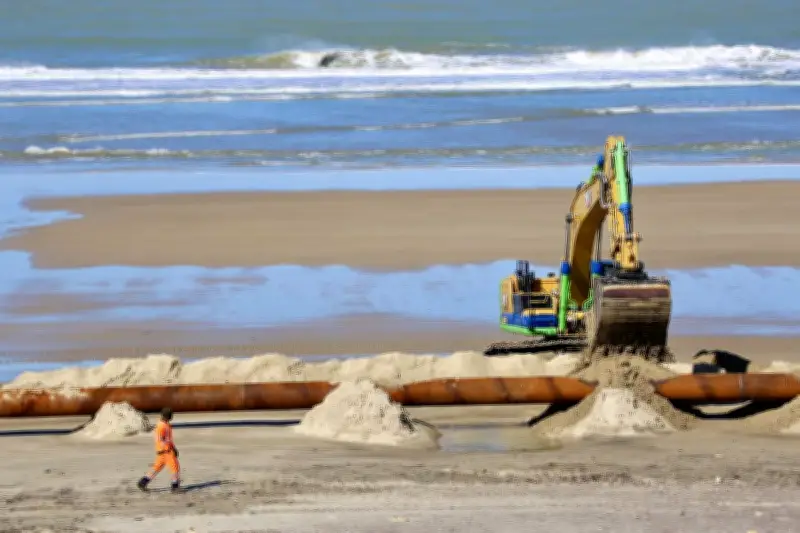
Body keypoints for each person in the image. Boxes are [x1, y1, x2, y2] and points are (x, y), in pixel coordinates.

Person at [137, 407, 181, 492]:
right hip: (166, 452)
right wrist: (169, 449)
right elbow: (161, 440)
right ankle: (175, 487)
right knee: (175, 468)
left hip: (162, 452)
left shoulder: (165, 424)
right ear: (168, 416)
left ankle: (143, 482)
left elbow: (168, 439)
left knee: (156, 468)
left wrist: (173, 448)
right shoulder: (162, 426)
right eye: (171, 415)